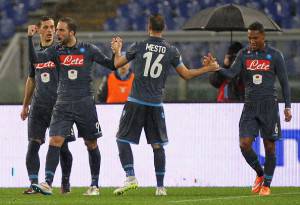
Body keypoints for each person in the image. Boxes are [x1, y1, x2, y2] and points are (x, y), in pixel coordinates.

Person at [111, 14, 219, 196]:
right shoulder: (171, 50)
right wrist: (208, 69)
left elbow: (117, 64)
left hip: (136, 101)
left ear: (148, 27)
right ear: (164, 28)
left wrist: (117, 50)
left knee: (122, 139)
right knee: (157, 145)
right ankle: (160, 187)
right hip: (155, 104)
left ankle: (130, 177)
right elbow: (186, 75)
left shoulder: (139, 46)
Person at [27, 17, 115, 195]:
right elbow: (35, 59)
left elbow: (111, 64)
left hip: (85, 103)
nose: (57, 33)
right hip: (63, 103)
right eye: (56, 29)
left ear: (71, 33)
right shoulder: (56, 50)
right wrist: (29, 39)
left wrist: (116, 52)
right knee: (55, 141)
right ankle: (48, 183)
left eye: (60, 30)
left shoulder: (88, 49)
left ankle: (94, 185)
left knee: (91, 143)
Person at [205, 22, 292, 196]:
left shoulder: (275, 55)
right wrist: (218, 68)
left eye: (255, 38)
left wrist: (287, 106)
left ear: (263, 37)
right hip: (250, 105)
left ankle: (266, 185)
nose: (251, 41)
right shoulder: (244, 54)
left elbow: (284, 82)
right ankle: (260, 173)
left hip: (269, 105)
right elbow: (231, 74)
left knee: (269, 147)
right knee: (244, 144)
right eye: (249, 38)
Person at [20, 16, 75, 194]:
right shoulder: (35, 54)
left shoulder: (60, 51)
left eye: (53, 27)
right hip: (39, 107)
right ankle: (34, 184)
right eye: (46, 27)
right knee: (33, 144)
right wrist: (25, 105)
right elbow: (31, 79)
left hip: (59, 106)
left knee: (63, 147)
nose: (51, 30)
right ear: (39, 30)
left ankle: (65, 182)